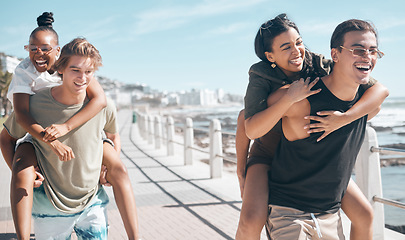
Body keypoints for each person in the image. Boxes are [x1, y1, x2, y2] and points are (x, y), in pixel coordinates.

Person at [235, 14, 389, 240]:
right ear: (270, 55)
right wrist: (241, 171)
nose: (296, 51)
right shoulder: (261, 75)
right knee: (250, 220)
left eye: (298, 43)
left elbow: (380, 90)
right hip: (268, 150)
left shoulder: (319, 65)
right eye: (286, 47)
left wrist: (344, 118)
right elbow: (245, 122)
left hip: (308, 153)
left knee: (365, 213)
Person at [0, 13, 139, 240]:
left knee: (119, 168)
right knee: (21, 168)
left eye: (88, 72)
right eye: (32, 49)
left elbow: (102, 105)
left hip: (87, 157)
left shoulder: (80, 72)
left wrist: (105, 167)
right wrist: (49, 143)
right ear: (64, 68)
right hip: (37, 135)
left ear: (57, 53)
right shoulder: (25, 74)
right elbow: (22, 117)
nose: (83, 77)